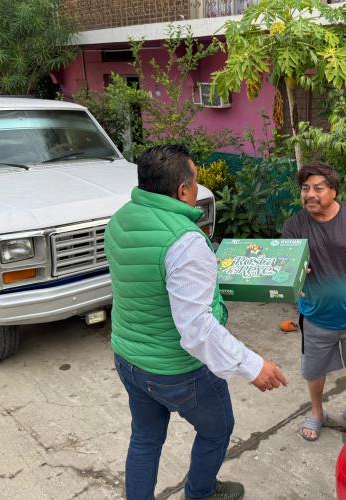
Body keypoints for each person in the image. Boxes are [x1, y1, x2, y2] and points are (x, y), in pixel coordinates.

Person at [105, 145, 287, 500]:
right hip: (177, 369)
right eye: (196, 184)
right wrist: (252, 365)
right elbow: (196, 329)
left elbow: (146, 283)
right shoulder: (185, 241)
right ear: (183, 190)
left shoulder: (121, 219)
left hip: (129, 358)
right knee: (217, 430)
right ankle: (201, 492)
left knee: (144, 437)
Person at [281, 162, 346, 441]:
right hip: (315, 316)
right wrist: (295, 281)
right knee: (314, 371)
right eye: (305, 188)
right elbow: (287, 266)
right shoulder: (294, 225)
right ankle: (317, 412)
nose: (310, 194)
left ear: (333, 191)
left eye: (318, 188)